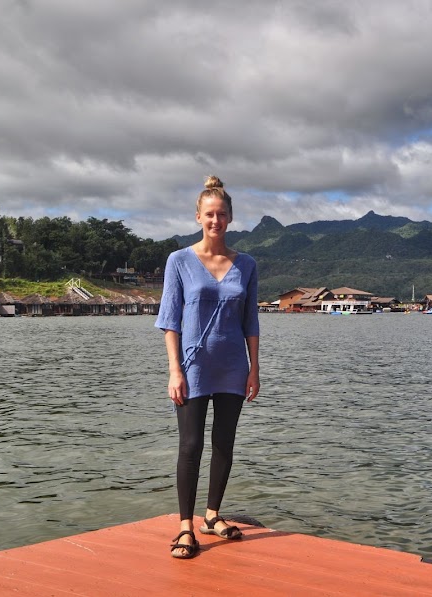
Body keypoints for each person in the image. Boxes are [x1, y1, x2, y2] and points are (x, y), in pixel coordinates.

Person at [155, 175, 260, 559]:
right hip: (193, 366)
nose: (216, 220)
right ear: (198, 216)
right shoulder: (179, 261)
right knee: (190, 445)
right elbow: (169, 319)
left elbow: (251, 322)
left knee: (224, 444)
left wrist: (254, 369)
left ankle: (211, 515)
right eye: (209, 214)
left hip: (234, 366)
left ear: (230, 218)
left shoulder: (246, 264)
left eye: (222, 214)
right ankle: (185, 527)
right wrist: (174, 370)